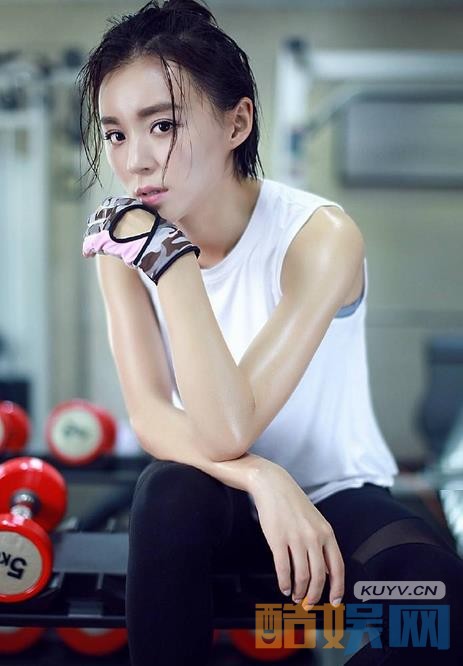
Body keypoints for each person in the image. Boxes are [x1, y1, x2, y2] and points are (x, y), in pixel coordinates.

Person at [77, 1, 463, 664]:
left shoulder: (319, 236)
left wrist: (169, 260)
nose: (135, 161)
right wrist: (260, 478)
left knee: (431, 602)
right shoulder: (123, 245)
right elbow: (152, 414)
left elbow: (230, 424)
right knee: (167, 489)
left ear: (238, 121)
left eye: (162, 125)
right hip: (213, 500)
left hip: (336, 499)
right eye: (114, 134)